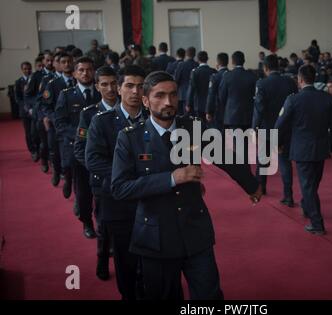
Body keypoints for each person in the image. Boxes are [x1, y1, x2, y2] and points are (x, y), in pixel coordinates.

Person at [110, 71, 263, 300]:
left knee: (209, 296)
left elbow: (226, 156)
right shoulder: (130, 137)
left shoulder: (193, 127)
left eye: (173, 95)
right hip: (155, 235)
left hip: (195, 229)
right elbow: (120, 188)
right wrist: (172, 178)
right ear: (145, 100)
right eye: (160, 95)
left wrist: (252, 185)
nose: (168, 102)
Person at [86, 65, 148, 300]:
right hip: (118, 200)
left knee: (152, 257)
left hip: (150, 199)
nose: (135, 91)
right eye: (129, 86)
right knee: (126, 259)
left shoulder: (153, 118)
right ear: (119, 89)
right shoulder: (102, 122)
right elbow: (93, 160)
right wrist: (128, 178)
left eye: (140, 86)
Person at [275, 65, 332, 235]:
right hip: (320, 149)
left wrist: (277, 144)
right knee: (313, 184)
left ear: (300, 80)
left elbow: (280, 126)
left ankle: (317, 224)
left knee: (308, 186)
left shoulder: (293, 100)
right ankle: (307, 206)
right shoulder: (327, 98)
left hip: (302, 149)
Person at [74, 66, 120, 281]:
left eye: (113, 84)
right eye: (104, 84)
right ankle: (102, 259)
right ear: (97, 86)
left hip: (130, 180)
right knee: (104, 225)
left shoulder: (129, 109)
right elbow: (80, 150)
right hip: (102, 180)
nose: (110, 88)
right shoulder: (89, 114)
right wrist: (97, 169)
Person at [55, 57, 101, 238]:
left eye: (89, 69)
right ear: (74, 73)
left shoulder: (101, 94)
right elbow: (60, 123)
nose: (85, 73)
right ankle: (87, 222)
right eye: (81, 70)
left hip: (100, 151)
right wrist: (85, 135)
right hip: (78, 151)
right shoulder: (66, 95)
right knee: (83, 193)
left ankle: (103, 225)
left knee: (103, 192)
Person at [252, 54, 298, 201]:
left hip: (266, 128)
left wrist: (254, 128)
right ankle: (288, 195)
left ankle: (261, 188)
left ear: (265, 68)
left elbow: (259, 109)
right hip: (285, 128)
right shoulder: (290, 82)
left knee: (262, 160)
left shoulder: (262, 84)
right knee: (285, 161)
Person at [42, 52, 75, 187]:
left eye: (69, 61)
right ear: (59, 65)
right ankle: (59, 173)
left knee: (72, 158)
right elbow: (46, 106)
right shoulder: (53, 84)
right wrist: (55, 119)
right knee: (56, 153)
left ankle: (71, 180)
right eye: (63, 62)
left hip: (73, 125)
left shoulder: (77, 81)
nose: (67, 64)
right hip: (57, 125)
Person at [185, 51, 217, 122]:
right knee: (210, 126)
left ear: (197, 59)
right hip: (212, 105)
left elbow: (191, 89)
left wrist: (188, 103)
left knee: (197, 127)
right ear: (207, 58)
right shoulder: (213, 71)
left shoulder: (194, 72)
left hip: (198, 104)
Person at [206, 53, 229, 131]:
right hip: (231, 111)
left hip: (218, 110)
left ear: (218, 63)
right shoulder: (231, 75)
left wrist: (208, 111)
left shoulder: (215, 76)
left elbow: (211, 95)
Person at [174, 47, 198, 115]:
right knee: (195, 117)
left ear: (186, 54)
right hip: (195, 95)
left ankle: (186, 126)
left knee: (185, 116)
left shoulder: (181, 65)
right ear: (194, 54)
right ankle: (196, 126)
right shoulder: (197, 65)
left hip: (183, 95)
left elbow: (176, 79)